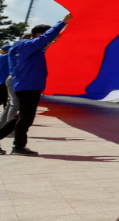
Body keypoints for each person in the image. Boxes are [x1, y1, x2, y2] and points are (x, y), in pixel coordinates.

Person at [0, 14, 72, 156]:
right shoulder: (29, 45)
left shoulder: (24, 47)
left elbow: (44, 43)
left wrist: (53, 40)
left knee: (21, 116)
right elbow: (44, 39)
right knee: (25, 117)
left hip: (26, 84)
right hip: (29, 85)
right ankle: (18, 147)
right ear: (39, 35)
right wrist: (63, 22)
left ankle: (17, 145)